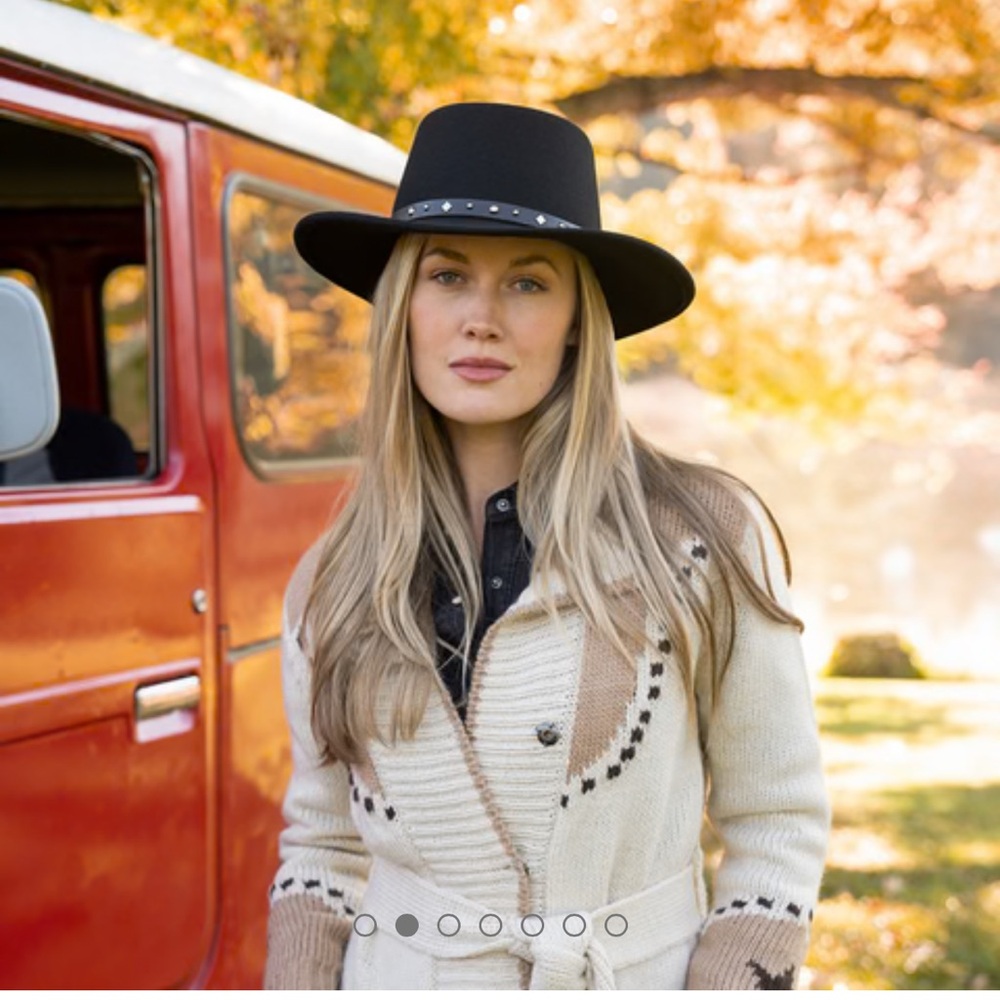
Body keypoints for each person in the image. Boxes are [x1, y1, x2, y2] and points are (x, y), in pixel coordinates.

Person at [263, 102, 829, 991]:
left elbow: (778, 824)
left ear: (577, 320)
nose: (481, 318)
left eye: (528, 283)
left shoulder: (699, 535)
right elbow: (322, 846)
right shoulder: (333, 578)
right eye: (447, 276)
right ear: (403, 307)